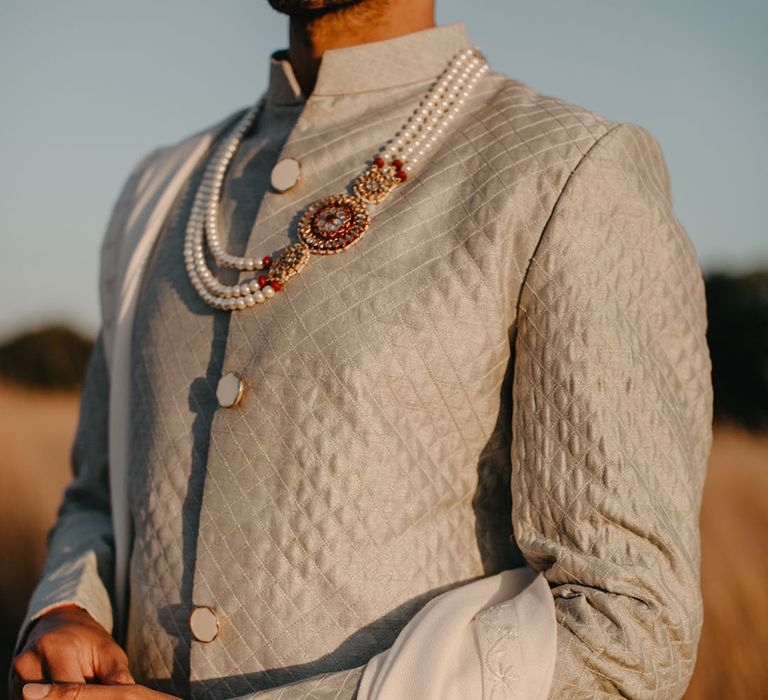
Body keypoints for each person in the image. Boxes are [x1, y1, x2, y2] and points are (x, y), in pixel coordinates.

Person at [10, 1, 714, 698]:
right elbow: (100, 496)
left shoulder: (566, 172)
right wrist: (69, 607)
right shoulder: (161, 193)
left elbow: (630, 629)